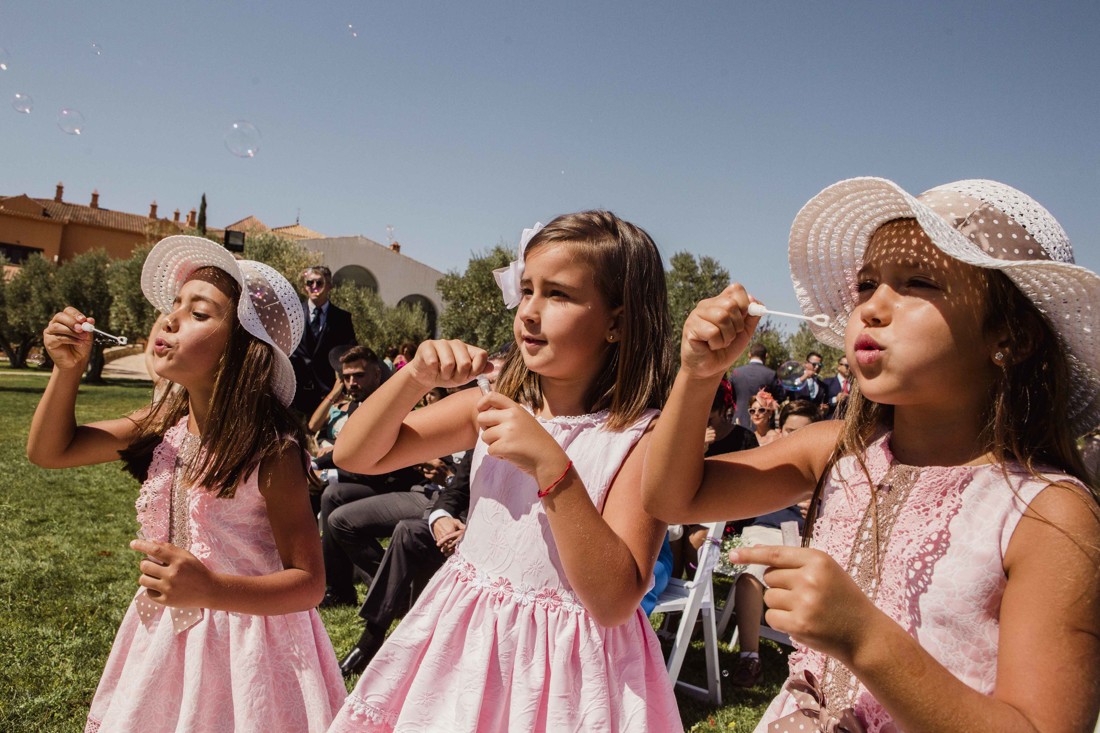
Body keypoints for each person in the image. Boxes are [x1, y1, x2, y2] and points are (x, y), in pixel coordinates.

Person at [642, 178, 1100, 732]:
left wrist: (864, 638)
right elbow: (670, 497)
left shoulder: (1046, 515)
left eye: (918, 282)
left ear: (1011, 336)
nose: (872, 308)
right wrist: (697, 374)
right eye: (866, 284)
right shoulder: (837, 451)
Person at [327, 211, 682, 731]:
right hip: (464, 640)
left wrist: (550, 466)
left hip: (566, 672)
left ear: (618, 322)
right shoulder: (492, 403)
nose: (530, 312)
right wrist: (415, 380)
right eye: (528, 290)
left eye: (558, 295)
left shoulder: (641, 437)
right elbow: (354, 455)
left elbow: (612, 601)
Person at [27, 235, 347, 732]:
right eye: (174, 305)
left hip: (248, 653)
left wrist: (210, 587)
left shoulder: (272, 451)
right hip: (166, 637)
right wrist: (66, 371)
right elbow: (51, 450)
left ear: (241, 351)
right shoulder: (164, 426)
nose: (171, 319)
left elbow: (310, 584)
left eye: (200, 313)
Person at [337, 450, 474, 676]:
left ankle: (410, 638)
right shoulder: (482, 436)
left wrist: (472, 530)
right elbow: (457, 489)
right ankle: (371, 639)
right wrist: (440, 518)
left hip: (489, 531)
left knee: (414, 531)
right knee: (408, 531)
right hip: (441, 503)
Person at [727, 399, 818, 689]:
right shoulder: (768, 458)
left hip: (810, 536)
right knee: (751, 572)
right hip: (767, 529)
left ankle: (813, 660)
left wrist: (819, 505)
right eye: (790, 431)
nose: (795, 439)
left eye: (803, 433)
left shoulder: (829, 466)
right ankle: (750, 659)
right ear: (780, 430)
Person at [291, 264, 357, 415]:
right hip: (295, 392)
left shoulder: (342, 318)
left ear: (329, 286)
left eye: (319, 283)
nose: (314, 286)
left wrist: (342, 386)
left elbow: (349, 353)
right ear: (305, 287)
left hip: (326, 395)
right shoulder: (294, 313)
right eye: (310, 283)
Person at [730, 342, 783, 428]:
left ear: (749, 355)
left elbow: (729, 396)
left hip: (739, 421)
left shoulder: (736, 372)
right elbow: (780, 397)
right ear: (766, 356)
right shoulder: (771, 374)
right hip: (763, 423)